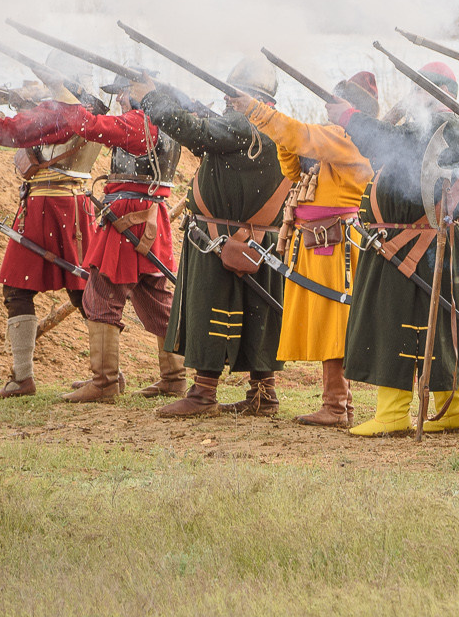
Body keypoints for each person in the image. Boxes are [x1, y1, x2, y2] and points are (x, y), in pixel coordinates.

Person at [334, 62, 459, 437]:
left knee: (394, 324)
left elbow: (393, 145)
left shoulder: (444, 127)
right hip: (417, 243)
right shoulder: (435, 125)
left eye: (421, 90)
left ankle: (393, 414)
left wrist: (350, 118)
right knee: (421, 328)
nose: (415, 96)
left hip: (418, 243)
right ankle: (453, 409)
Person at [139, 60, 290, 419]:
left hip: (221, 238)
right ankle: (262, 393)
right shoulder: (273, 124)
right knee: (257, 317)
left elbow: (194, 131)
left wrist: (150, 98)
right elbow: (205, 124)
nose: (226, 97)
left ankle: (204, 393)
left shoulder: (242, 122)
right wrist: (171, 95)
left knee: (210, 311)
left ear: (249, 96)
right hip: (259, 239)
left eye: (232, 92)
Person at [239, 72, 380, 427]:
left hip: (332, 242)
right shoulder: (333, 140)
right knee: (326, 320)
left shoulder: (349, 139)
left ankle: (335, 406)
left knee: (333, 323)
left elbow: (303, 135)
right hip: (317, 239)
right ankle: (339, 404)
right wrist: (285, 138)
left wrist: (257, 111)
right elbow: (292, 167)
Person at [0, 67, 100, 399]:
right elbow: (44, 128)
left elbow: (2, 133)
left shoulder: (60, 112)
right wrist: (32, 105)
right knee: (82, 293)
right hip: (73, 204)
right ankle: (109, 372)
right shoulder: (90, 109)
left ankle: (23, 379)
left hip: (48, 206)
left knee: (17, 291)